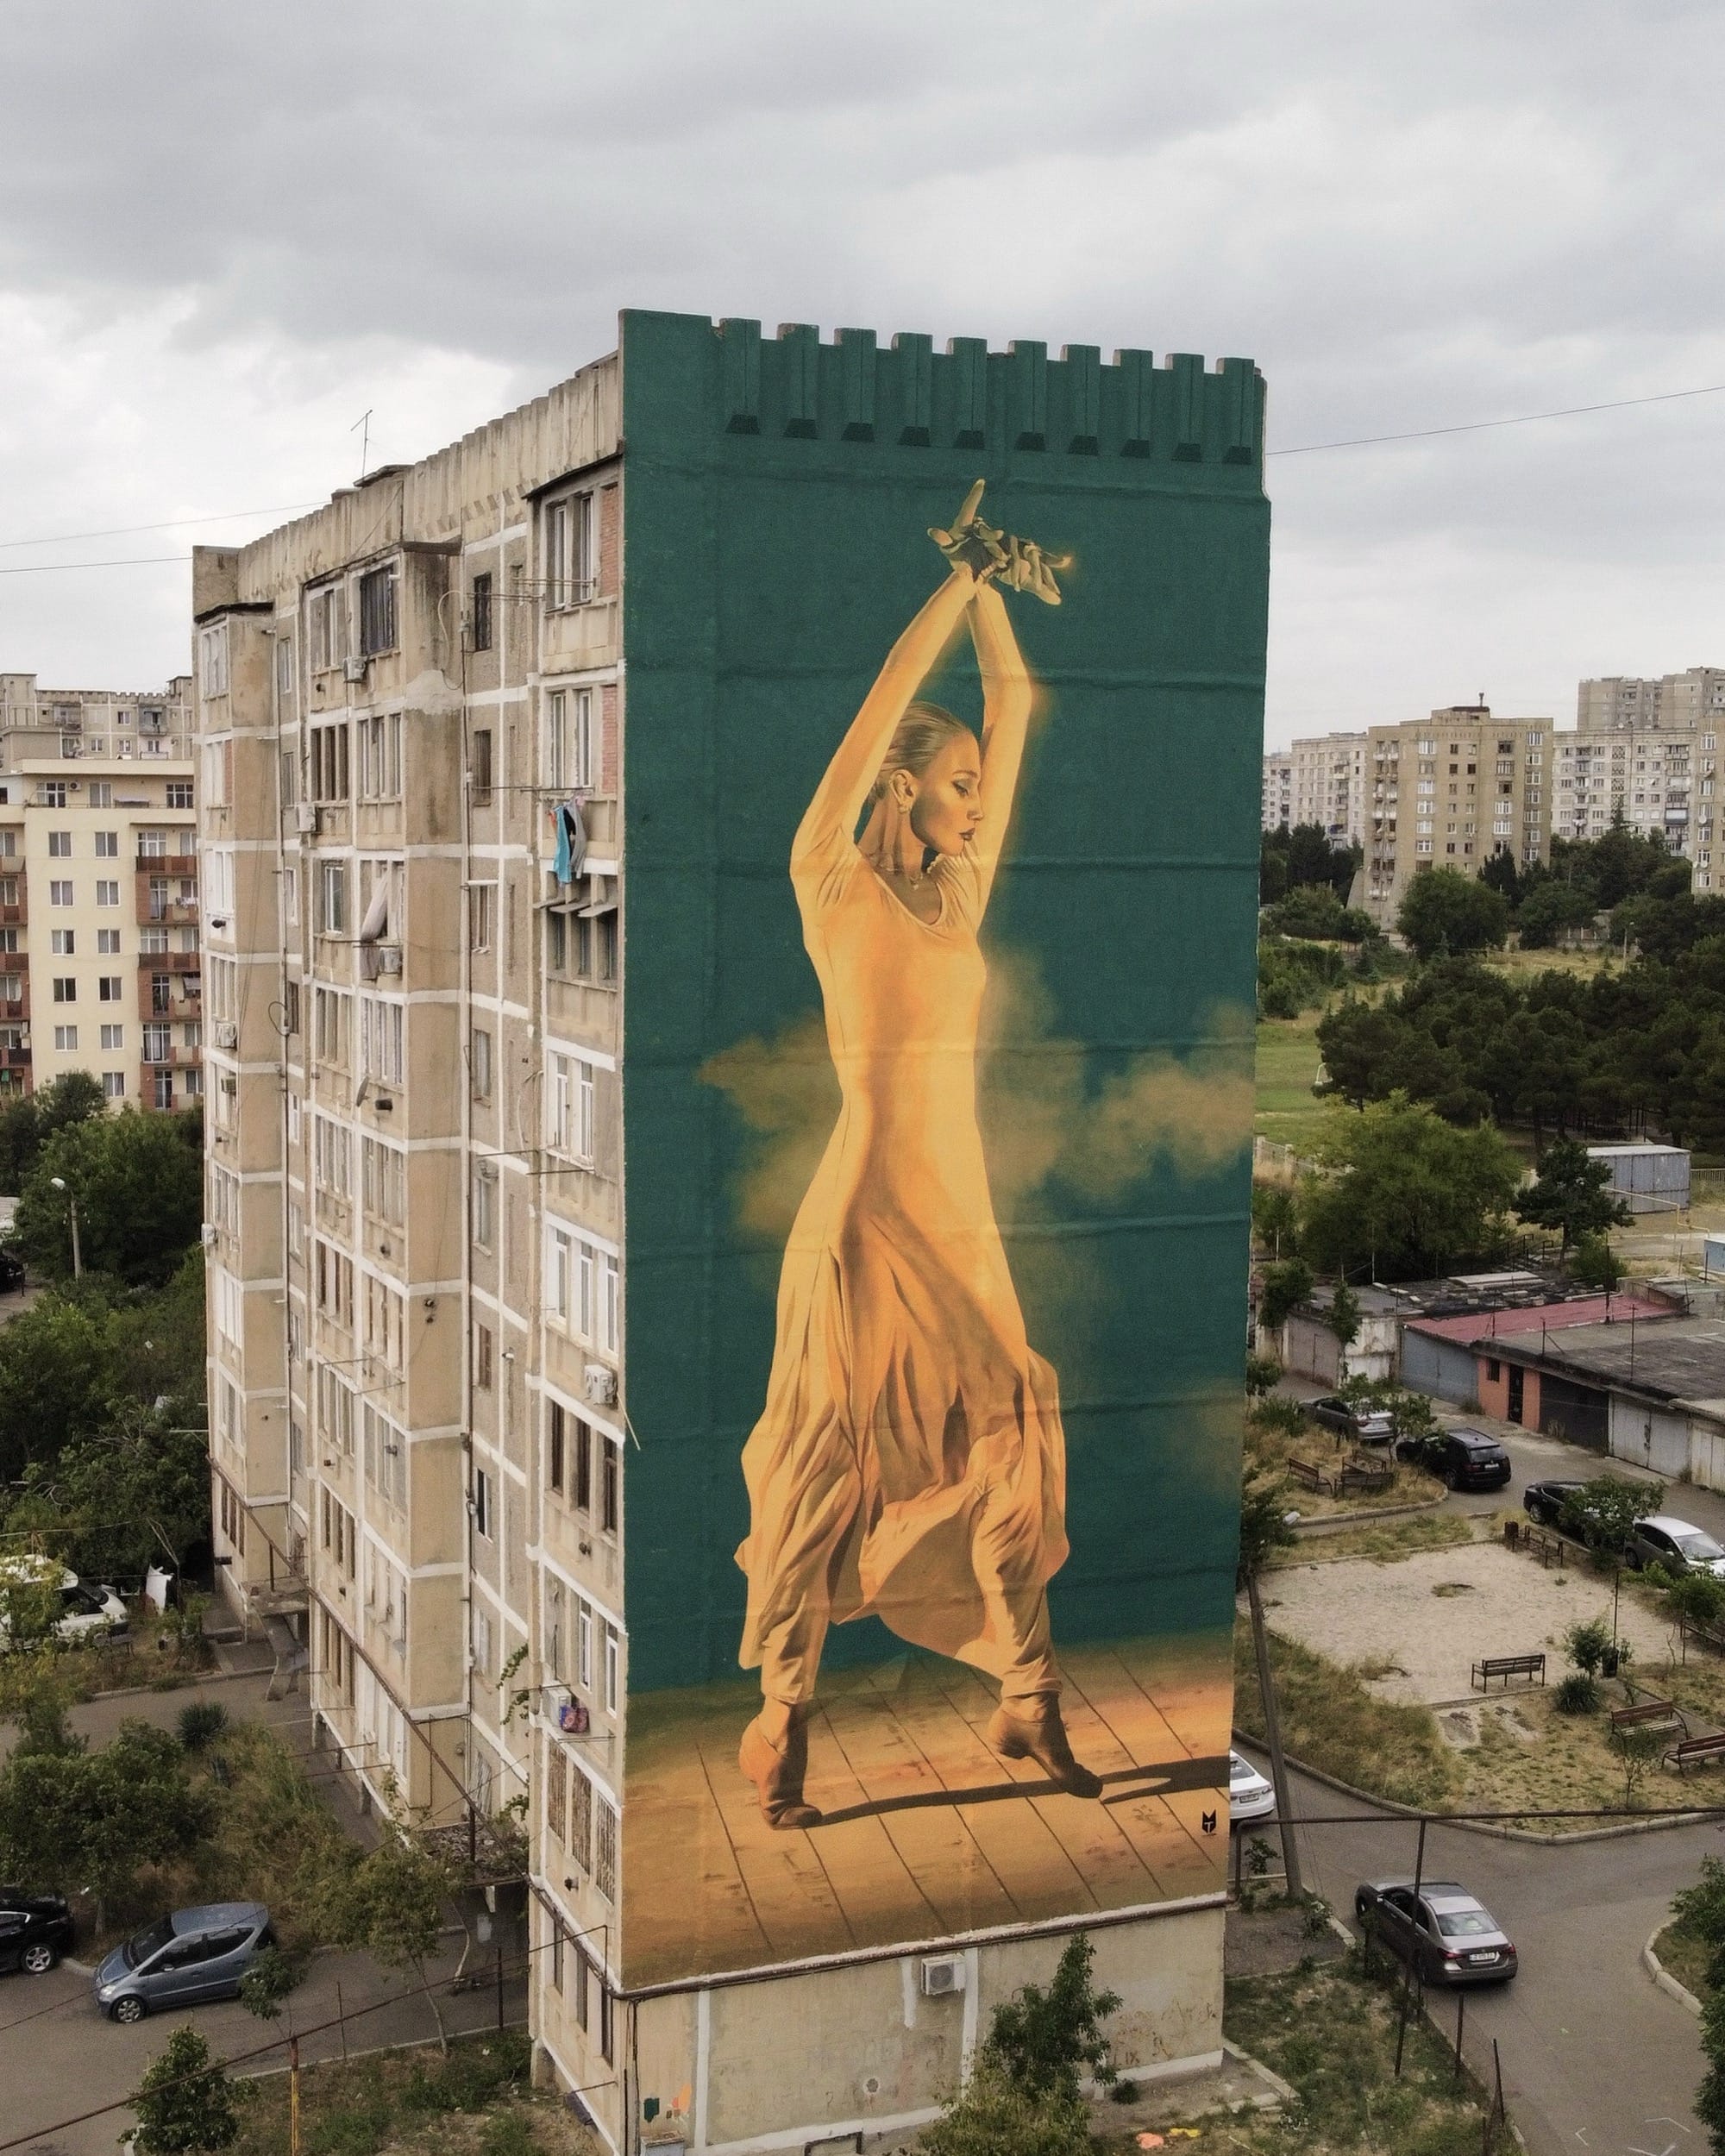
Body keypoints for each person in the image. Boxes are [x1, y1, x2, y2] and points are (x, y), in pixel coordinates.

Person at [734, 483, 1101, 1829]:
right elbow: (901, 693)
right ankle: (785, 1722)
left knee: (1013, 1420)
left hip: (962, 1214)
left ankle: (1028, 1697)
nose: (970, 802)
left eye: (972, 789)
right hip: (872, 1206)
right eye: (949, 786)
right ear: (900, 782)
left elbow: (1014, 713)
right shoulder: (829, 881)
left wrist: (996, 585)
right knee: (832, 1456)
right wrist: (950, 584)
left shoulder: (958, 903)